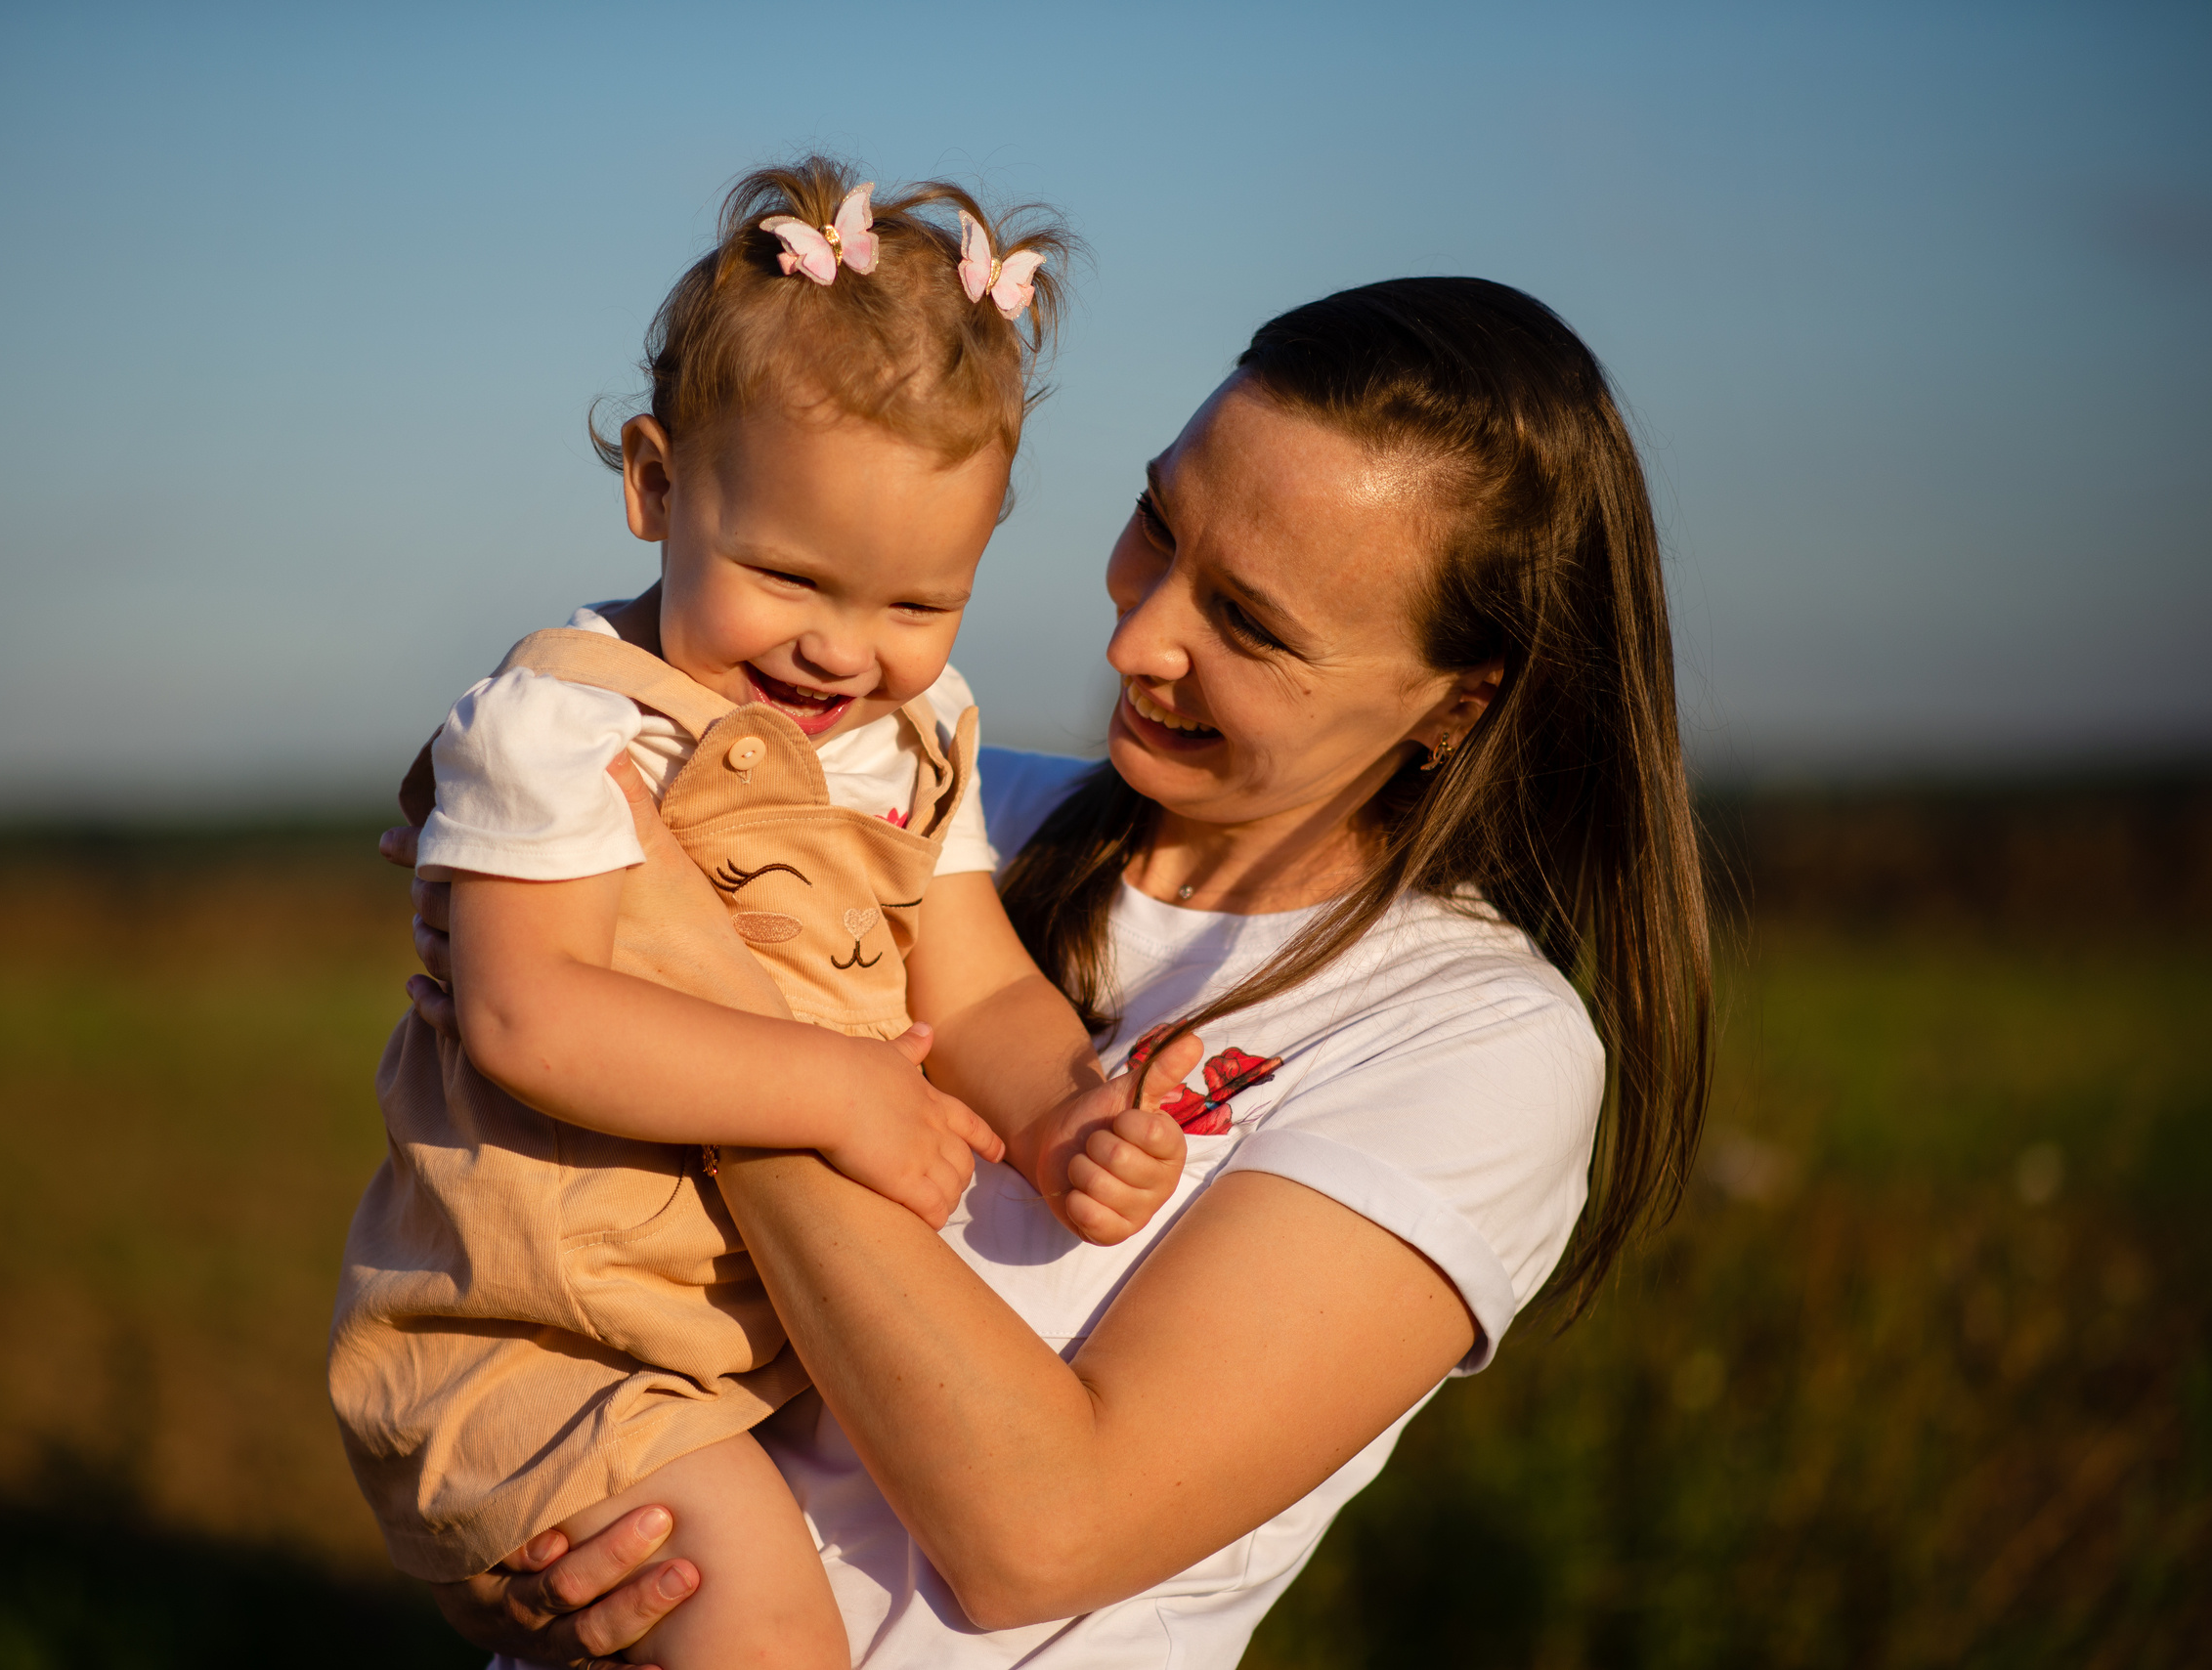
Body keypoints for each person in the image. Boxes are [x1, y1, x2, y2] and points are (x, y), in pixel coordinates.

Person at [387, 276, 1713, 1669]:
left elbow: (1041, 1533)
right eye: (1158, 522)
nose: (1136, 637)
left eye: (1251, 625)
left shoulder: (1471, 1040)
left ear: (1459, 698)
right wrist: (523, 1537)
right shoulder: (900, 797)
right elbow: (515, 1185)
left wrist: (725, 1032)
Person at [329, 157, 1203, 1670]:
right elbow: (529, 1011)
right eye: (788, 574)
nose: (840, 650)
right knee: (754, 1614)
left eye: (917, 606)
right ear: (657, 486)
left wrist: (1070, 1114)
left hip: (738, 1345)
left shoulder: (914, 743)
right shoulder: (560, 724)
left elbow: (978, 984)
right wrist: (836, 1088)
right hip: (543, 1335)